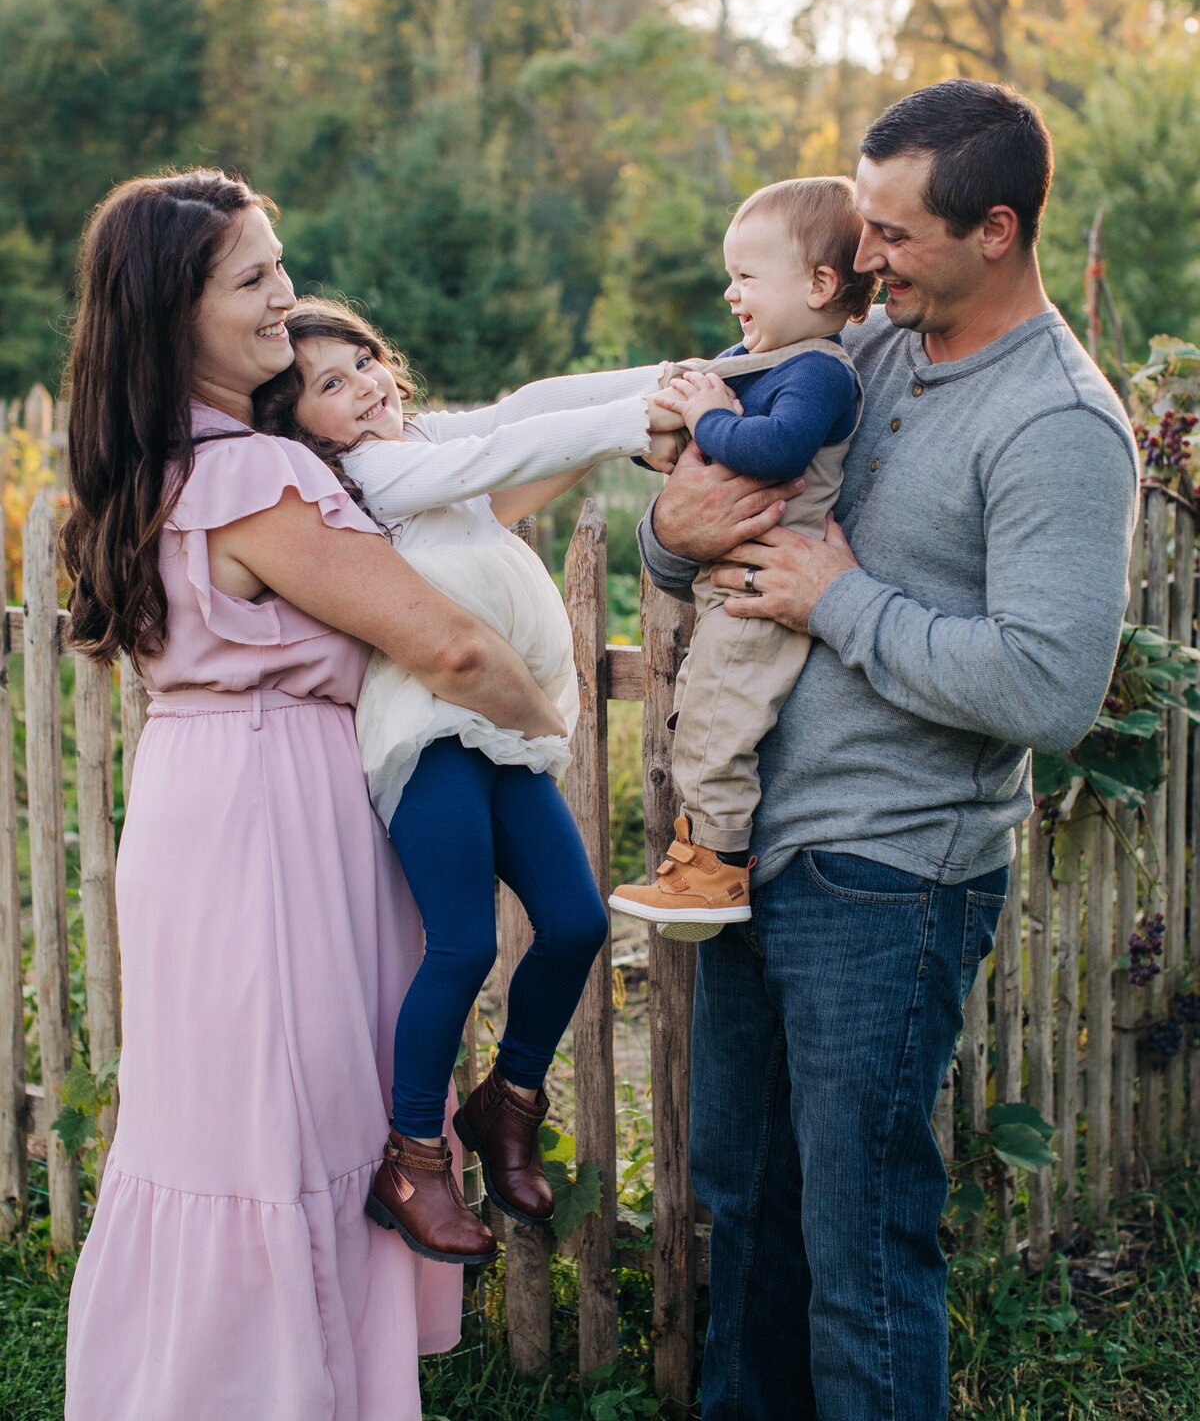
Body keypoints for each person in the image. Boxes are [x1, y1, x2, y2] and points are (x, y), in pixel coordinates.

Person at [637, 81, 1139, 1421]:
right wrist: (674, 532)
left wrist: (837, 599)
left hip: (894, 877)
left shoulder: (1059, 427)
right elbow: (701, 528)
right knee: (748, 1217)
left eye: (893, 236)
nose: (863, 259)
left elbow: (1046, 689)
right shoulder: (865, 357)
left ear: (996, 229)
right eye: (860, 226)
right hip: (751, 859)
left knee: (860, 1245)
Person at [62, 172, 569, 1421]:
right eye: (252, 279)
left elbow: (449, 504)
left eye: (280, 264)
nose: (286, 296)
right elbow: (445, 645)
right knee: (284, 1120)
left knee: (223, 1125)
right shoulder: (247, 478)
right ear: (172, 314)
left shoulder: (178, 464)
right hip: (272, 825)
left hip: (200, 793)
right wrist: (540, 713)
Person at [255, 297, 683, 1262]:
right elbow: (489, 460)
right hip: (427, 731)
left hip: (500, 734)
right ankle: (413, 1158)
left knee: (576, 922)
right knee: (461, 945)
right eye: (330, 385)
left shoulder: (417, 433)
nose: (364, 387)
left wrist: (670, 381)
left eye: (363, 361)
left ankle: (509, 1102)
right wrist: (635, 426)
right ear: (300, 426)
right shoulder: (370, 475)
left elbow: (524, 410)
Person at [608, 177, 876, 938]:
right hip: (732, 585)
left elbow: (774, 448)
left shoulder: (819, 368)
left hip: (770, 592)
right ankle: (704, 868)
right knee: (701, 717)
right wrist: (669, 423)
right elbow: (701, 415)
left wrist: (706, 415)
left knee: (717, 731)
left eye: (747, 276)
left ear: (821, 284)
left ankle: (714, 875)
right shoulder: (758, 357)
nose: (730, 292)